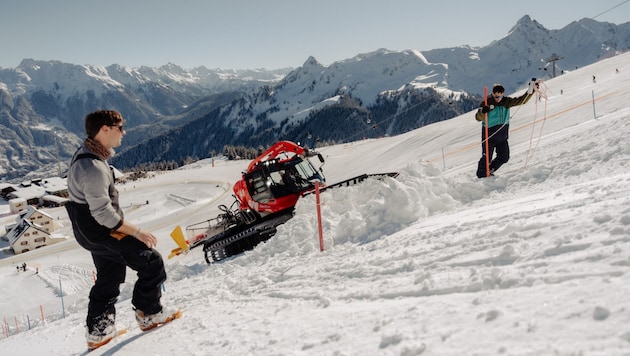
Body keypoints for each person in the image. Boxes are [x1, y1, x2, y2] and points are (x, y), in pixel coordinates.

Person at [65, 110, 180, 350]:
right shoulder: (93, 167)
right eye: (120, 127)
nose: (124, 132)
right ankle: (149, 313)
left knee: (110, 274)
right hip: (101, 229)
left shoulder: (87, 155)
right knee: (152, 262)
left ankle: (99, 331)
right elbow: (103, 214)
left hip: (89, 231)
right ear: (104, 130)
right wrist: (137, 232)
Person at [475, 80, 537, 178]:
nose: (498, 99)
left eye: (501, 96)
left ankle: (490, 170)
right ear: (493, 94)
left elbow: (521, 100)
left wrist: (531, 91)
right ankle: (481, 176)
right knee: (487, 158)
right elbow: (478, 118)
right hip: (489, 136)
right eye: (496, 96)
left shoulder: (506, 102)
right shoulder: (487, 103)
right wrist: (483, 111)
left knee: (504, 157)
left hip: (502, 136)